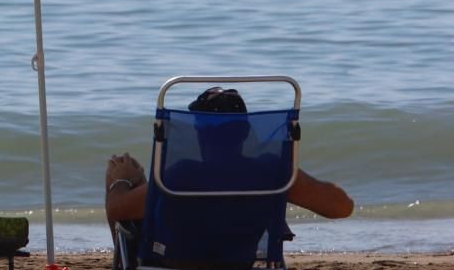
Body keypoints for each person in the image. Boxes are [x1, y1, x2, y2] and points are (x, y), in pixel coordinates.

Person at [105, 88, 353, 229]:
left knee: (118, 174)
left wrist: (121, 180)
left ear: (198, 132)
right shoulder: (270, 171)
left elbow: (117, 210)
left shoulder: (182, 173)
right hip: (243, 263)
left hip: (173, 268)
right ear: (246, 130)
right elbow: (343, 207)